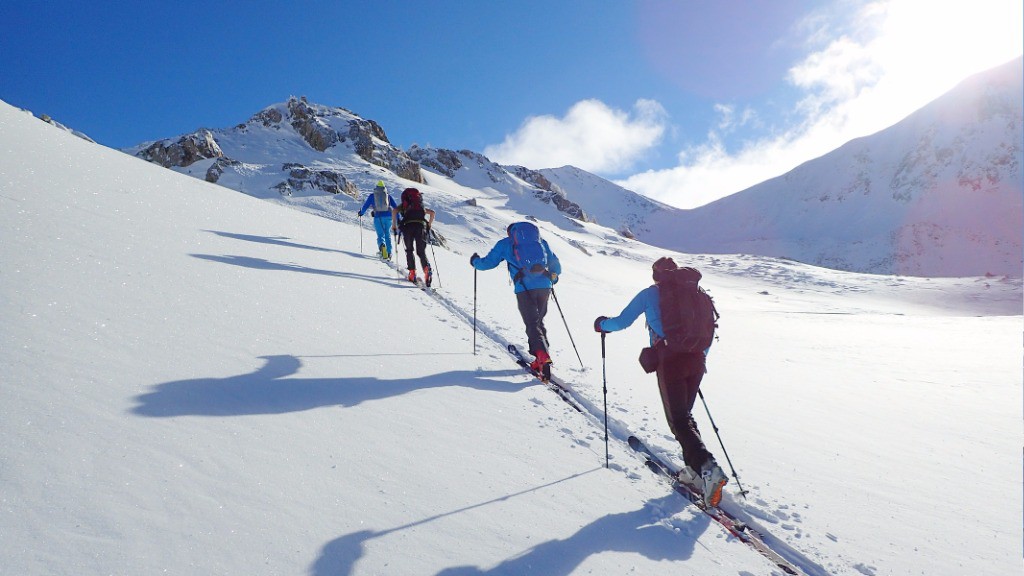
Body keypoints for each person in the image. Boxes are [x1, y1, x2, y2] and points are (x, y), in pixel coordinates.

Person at [593, 257, 728, 507]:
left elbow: (622, 322)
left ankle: (708, 469)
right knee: (684, 416)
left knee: (678, 419)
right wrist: (697, 359)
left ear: (656, 275)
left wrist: (602, 325)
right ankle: (695, 471)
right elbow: (707, 332)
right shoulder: (698, 295)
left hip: (671, 361)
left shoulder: (651, 293)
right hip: (697, 360)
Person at [470, 221, 562, 378]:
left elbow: (488, 263)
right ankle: (544, 355)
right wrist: (552, 279)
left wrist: (475, 262)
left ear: (510, 233)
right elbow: (556, 265)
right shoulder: (540, 242)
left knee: (531, 323)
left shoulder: (506, 243)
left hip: (523, 287)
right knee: (538, 321)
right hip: (545, 286)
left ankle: (541, 356)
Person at [392, 187, 436, 286]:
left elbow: (394, 211)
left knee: (409, 250)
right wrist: (429, 224)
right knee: (421, 252)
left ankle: (412, 273)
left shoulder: (404, 206)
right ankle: (426, 270)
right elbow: (432, 213)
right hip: (420, 227)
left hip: (408, 227)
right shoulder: (420, 207)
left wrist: (394, 225)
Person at [357, 180, 397, 260]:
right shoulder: (388, 196)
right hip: (388, 217)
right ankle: (389, 252)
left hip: (378, 217)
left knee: (380, 235)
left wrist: (361, 213)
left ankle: (382, 247)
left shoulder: (372, 196)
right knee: (387, 234)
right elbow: (395, 207)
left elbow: (365, 206)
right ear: (384, 188)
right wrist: (398, 218)